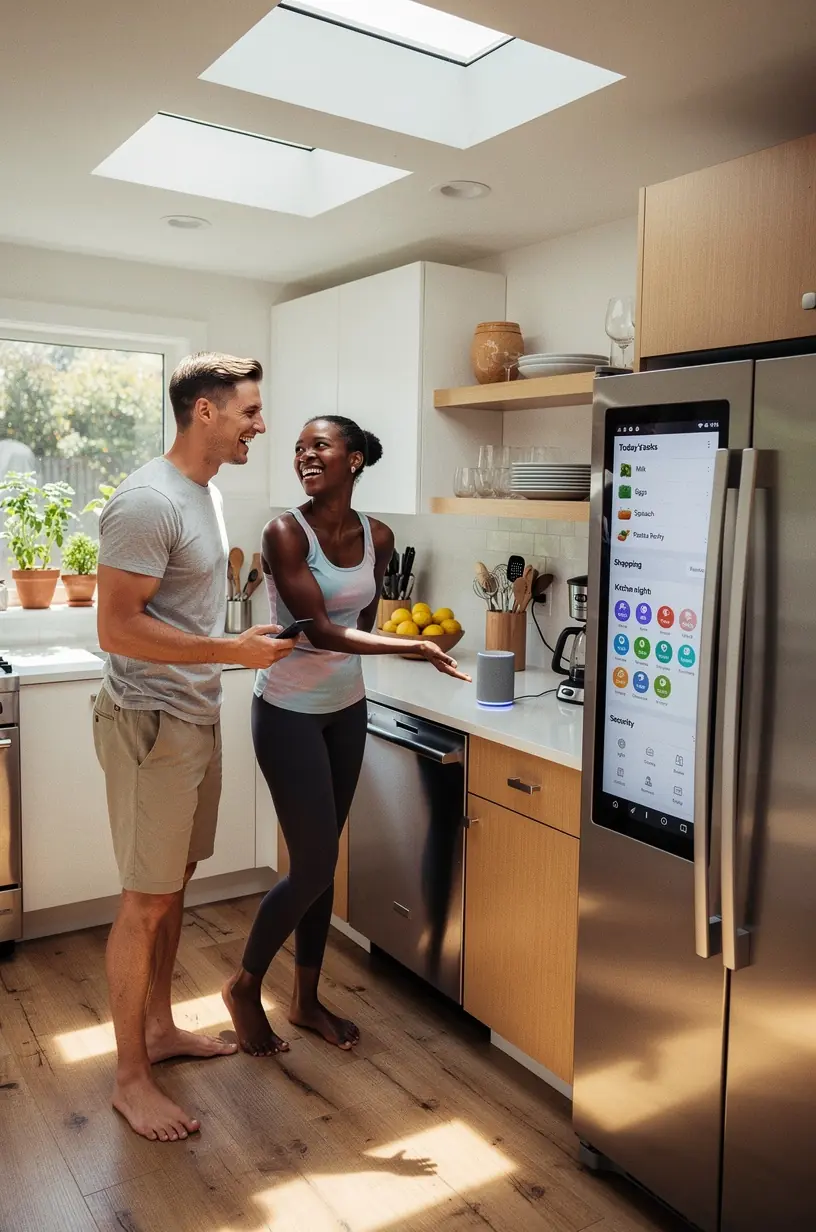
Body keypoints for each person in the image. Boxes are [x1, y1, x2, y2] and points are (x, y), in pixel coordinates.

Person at [93, 352, 295, 1144]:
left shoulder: (205, 491)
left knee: (173, 882)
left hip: (192, 716)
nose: (261, 423)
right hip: (150, 723)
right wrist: (229, 653)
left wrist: (231, 654)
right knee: (144, 903)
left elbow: (175, 612)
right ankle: (128, 1080)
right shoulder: (146, 502)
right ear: (204, 412)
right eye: (249, 410)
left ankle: (158, 1029)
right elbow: (115, 627)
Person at [223, 415, 470, 1057]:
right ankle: (246, 986)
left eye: (320, 446)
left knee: (323, 856)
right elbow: (320, 632)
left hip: (347, 706)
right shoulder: (285, 531)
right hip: (287, 712)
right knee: (312, 863)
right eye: (300, 448)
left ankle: (305, 1002)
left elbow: (360, 619)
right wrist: (412, 646)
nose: (305, 455)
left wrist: (393, 644)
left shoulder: (379, 536)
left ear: (354, 460)